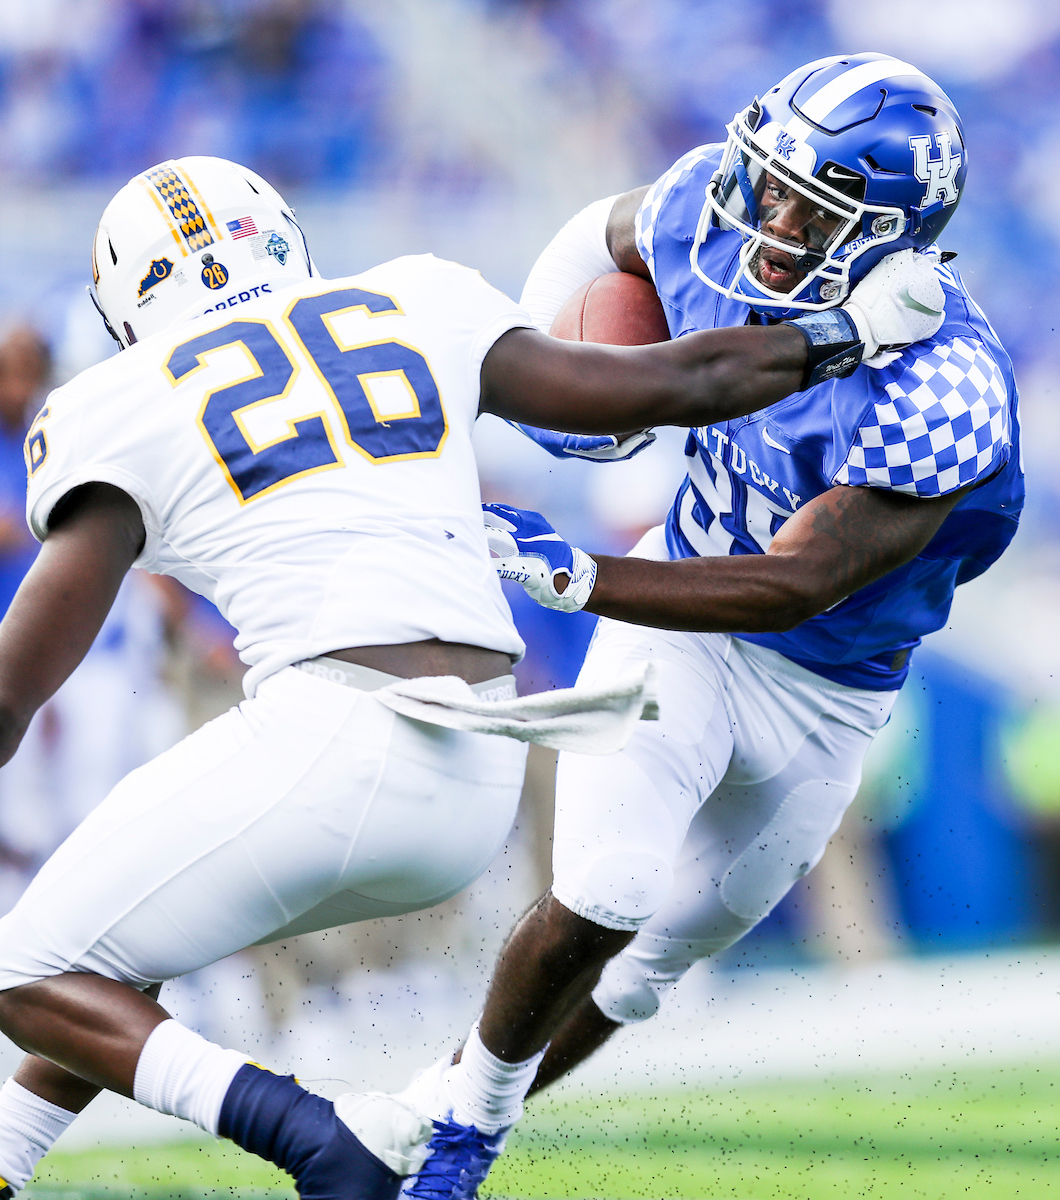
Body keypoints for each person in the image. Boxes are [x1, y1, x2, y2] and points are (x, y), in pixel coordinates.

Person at [0, 152, 936, 1199]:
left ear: (129, 300)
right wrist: (846, 330)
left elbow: (9, 692)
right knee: (116, 945)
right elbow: (678, 384)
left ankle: (325, 1140)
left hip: (327, 742)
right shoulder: (416, 297)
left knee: (22, 968)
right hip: (475, 771)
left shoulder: (117, 401)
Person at [395, 53, 1023, 1199]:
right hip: (679, 611)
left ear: (892, 237)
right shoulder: (704, 207)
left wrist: (582, 577)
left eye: (812, 209)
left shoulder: (946, 389)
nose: (770, 222)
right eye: (770, 185)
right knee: (609, 889)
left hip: (825, 686)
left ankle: (414, 1114)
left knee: (646, 973)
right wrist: (568, 381)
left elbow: (790, 586)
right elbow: (600, 234)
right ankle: (455, 1141)